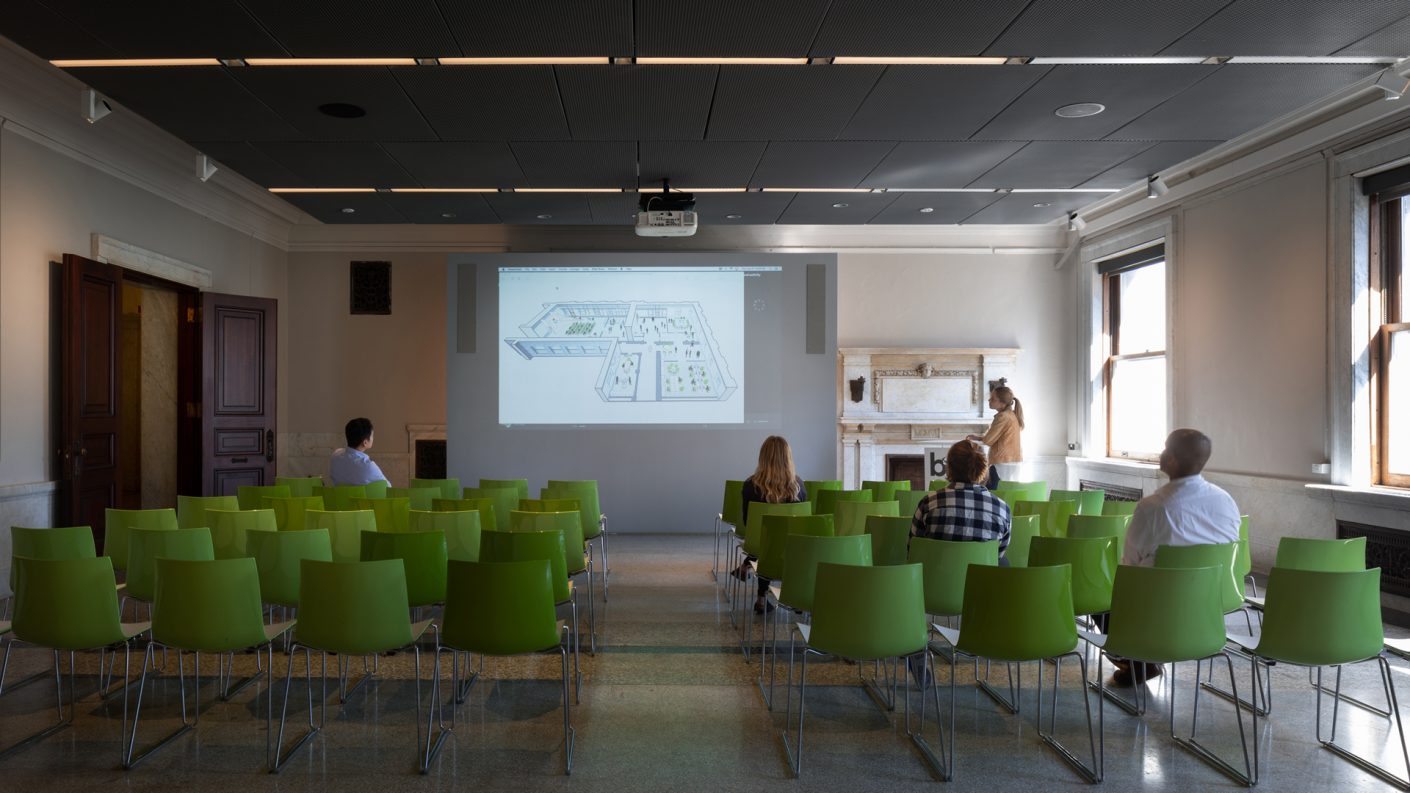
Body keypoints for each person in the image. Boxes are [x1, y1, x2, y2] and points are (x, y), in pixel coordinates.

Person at [1108, 428, 1241, 686]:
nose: (1162, 453)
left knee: (1106, 597)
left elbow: (1130, 566)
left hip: (1159, 604)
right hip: (1213, 600)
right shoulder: (1225, 500)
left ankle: (1136, 661)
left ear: (1172, 460)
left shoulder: (1153, 507)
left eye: (1165, 448)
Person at [733, 436, 807, 615]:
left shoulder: (750, 485)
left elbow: (747, 522)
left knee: (767, 541)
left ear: (762, 457)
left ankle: (761, 597)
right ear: (788, 457)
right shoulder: (799, 486)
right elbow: (802, 525)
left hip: (762, 546)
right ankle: (797, 596)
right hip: (792, 550)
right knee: (779, 540)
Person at [911, 440, 1012, 562]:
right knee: (1004, 561)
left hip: (936, 578)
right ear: (984, 469)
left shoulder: (928, 503)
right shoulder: (1002, 509)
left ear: (949, 467)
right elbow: (998, 555)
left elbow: (913, 550)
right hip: (981, 579)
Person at [967, 385, 1024, 489]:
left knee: (993, 493)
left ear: (1002, 403)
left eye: (993, 399)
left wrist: (980, 439)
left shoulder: (1002, 416)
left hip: (1002, 463)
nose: (989, 400)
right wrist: (979, 438)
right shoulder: (1011, 415)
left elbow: (989, 440)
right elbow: (997, 437)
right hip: (1012, 460)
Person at [329, 417, 387, 486]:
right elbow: (388, 488)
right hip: (364, 497)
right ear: (365, 442)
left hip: (339, 496)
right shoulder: (368, 466)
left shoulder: (335, 456)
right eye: (372, 436)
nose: (373, 438)